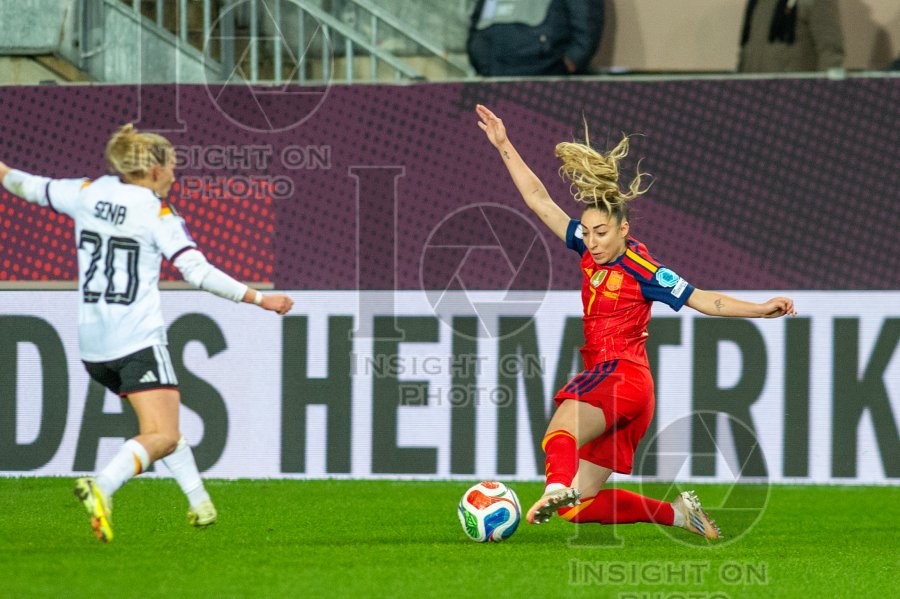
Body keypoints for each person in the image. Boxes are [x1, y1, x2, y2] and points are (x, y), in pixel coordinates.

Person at [475, 104, 796, 537]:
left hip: (620, 377)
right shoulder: (588, 251)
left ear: (624, 228)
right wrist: (504, 144)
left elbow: (703, 299)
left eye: (601, 232)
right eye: (587, 233)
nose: (592, 241)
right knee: (579, 505)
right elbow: (539, 200)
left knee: (559, 434)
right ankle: (680, 514)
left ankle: (554, 488)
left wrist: (759, 309)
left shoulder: (644, 271)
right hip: (630, 393)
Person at [0, 124, 294, 543]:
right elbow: (197, 271)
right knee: (162, 433)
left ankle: (200, 504)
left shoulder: (88, 192)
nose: (176, 173)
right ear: (154, 169)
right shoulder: (156, 213)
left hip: (93, 347)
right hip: (136, 340)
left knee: (164, 428)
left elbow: (20, 183)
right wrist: (259, 299)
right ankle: (102, 486)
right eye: (173, 164)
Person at [467, 0, 604, 77]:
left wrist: (572, 61)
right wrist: (476, 53)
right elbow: (476, 19)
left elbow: (587, 20)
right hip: (491, 79)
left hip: (547, 79)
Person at [738, 0, 844, 73]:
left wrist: (820, 93)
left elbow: (830, 52)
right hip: (755, 97)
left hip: (795, 97)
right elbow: (746, 52)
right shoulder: (756, 3)